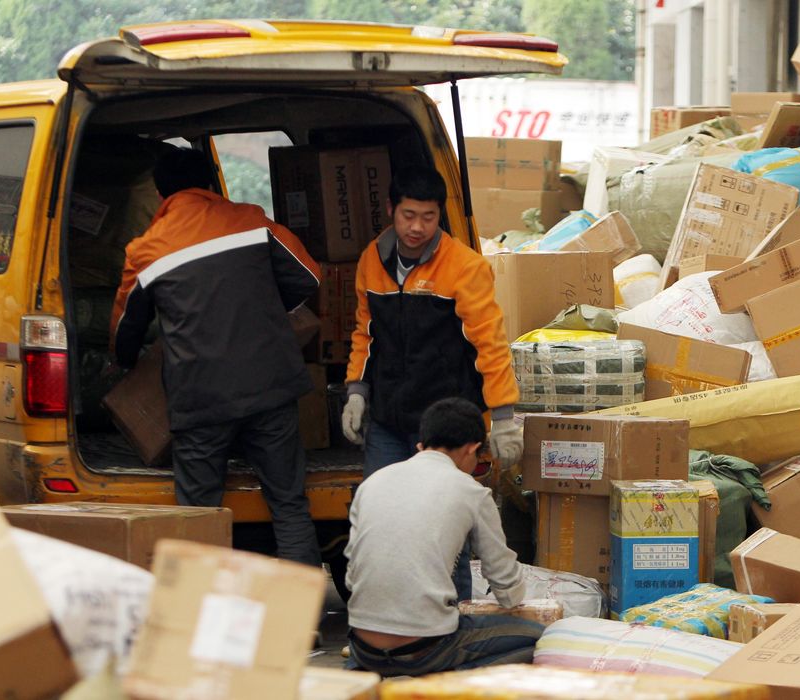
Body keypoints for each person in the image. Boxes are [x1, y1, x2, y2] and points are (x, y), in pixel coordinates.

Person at [110, 147, 323, 567]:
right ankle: (306, 623)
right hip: (270, 386)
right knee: (289, 505)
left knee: (199, 519)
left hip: (200, 398)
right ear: (211, 183)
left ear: (160, 192)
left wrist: (124, 363)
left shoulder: (147, 250)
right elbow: (309, 276)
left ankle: (199, 622)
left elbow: (124, 330)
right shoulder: (250, 220)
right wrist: (266, 310)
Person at [340, 166, 523, 598]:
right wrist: (356, 393)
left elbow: (490, 345)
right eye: (408, 215)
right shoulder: (373, 259)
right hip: (387, 418)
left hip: (445, 425)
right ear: (391, 210)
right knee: (379, 518)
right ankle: (376, 617)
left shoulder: (465, 267)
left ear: (440, 214)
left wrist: (504, 416)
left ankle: (453, 617)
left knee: (447, 528)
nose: (417, 226)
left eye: (428, 216)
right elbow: (365, 332)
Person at [344, 397, 542, 676]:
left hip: (362, 647)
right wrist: (519, 604)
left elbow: (352, 573)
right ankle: (443, 681)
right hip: (424, 648)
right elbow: (505, 584)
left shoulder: (372, 483)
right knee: (539, 639)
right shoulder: (471, 491)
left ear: (421, 446)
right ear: (472, 449)